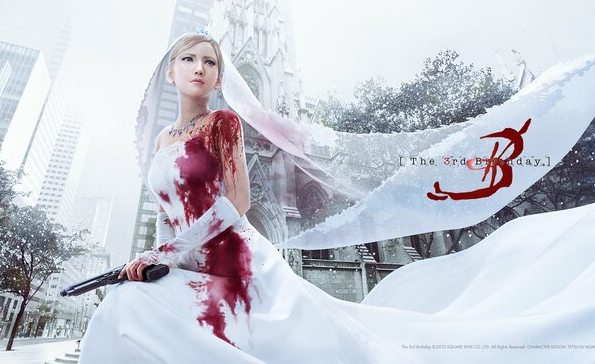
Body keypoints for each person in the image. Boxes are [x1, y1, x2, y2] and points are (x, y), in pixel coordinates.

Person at [78, 31, 595, 364]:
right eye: (187, 59)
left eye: (210, 61)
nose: (199, 68)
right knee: (125, 311)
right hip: (185, 261)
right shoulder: (163, 140)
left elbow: (236, 201)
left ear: (221, 75)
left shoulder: (224, 123)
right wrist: (156, 256)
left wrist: (162, 254)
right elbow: (171, 214)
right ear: (169, 71)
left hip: (233, 258)